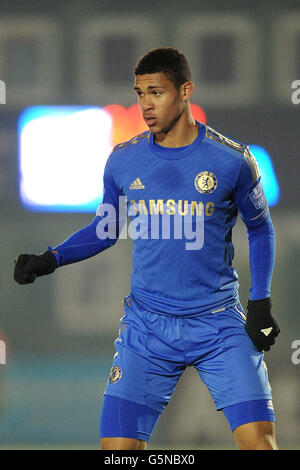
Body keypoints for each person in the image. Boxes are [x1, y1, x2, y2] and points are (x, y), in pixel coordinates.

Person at [14, 47, 280, 450]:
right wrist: (51, 259)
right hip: (148, 327)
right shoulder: (123, 161)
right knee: (117, 452)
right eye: (139, 94)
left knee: (260, 444)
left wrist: (260, 301)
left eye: (156, 92)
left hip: (218, 324)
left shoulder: (232, 160)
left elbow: (261, 230)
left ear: (185, 91)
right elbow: (105, 230)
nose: (145, 105)